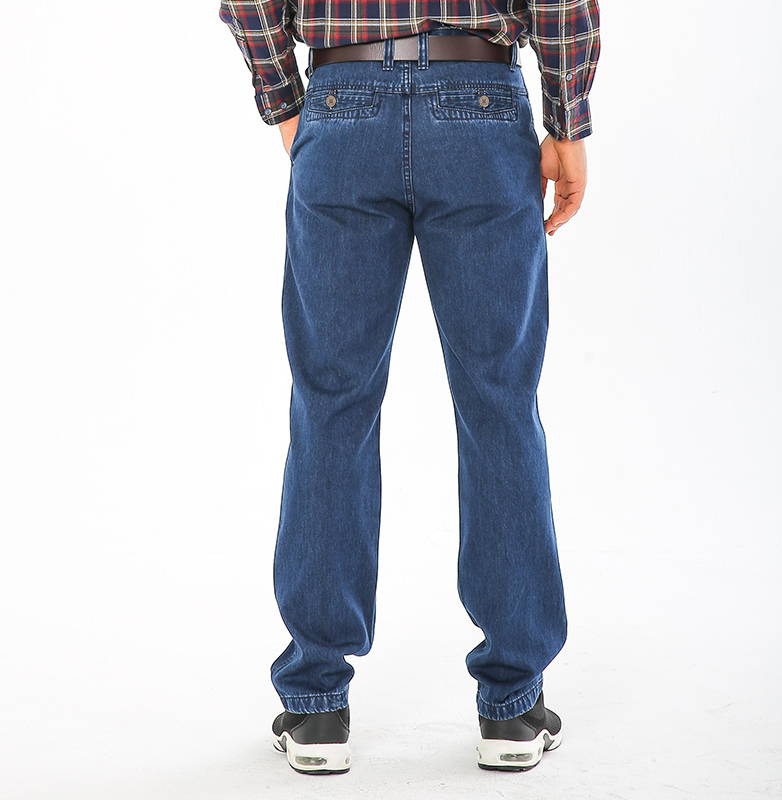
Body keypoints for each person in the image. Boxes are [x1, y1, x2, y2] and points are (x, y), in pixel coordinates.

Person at [219, 0, 599, 776]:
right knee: (499, 402)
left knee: (331, 403)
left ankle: (316, 704)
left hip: (342, 106)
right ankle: (513, 705)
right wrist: (567, 123)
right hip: (480, 106)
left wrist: (287, 104)